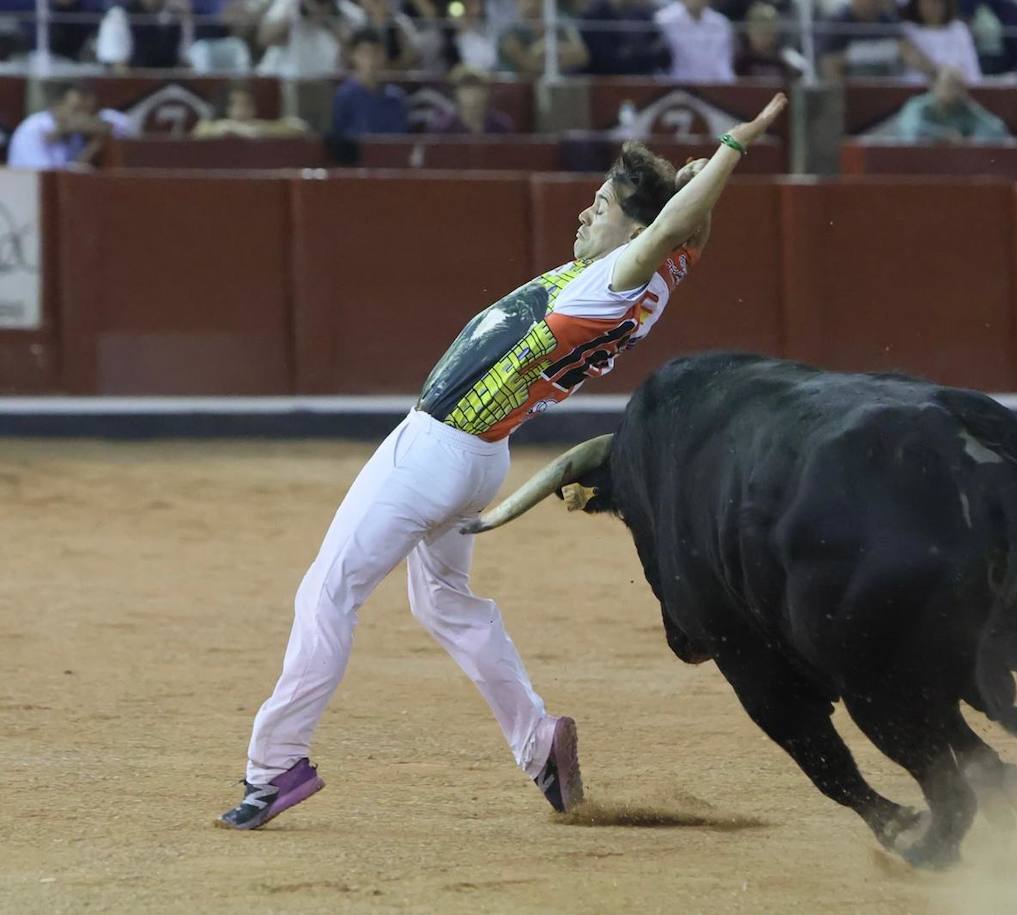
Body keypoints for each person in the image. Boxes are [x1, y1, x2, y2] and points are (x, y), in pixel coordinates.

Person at [215, 93, 790, 833]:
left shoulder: (613, 277)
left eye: (602, 205)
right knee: (445, 602)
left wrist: (732, 150)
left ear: (636, 230)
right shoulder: (654, 283)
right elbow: (688, 225)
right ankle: (536, 740)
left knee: (328, 591)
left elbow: (677, 222)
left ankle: (273, 765)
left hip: (434, 450)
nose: (586, 215)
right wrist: (704, 174)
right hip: (480, 458)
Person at [8, 81, 133, 169]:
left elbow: (125, 126)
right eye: (76, 109)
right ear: (57, 107)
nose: (83, 116)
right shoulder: (34, 129)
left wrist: (98, 136)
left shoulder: (76, 131)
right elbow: (46, 177)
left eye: (87, 111)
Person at [331, 28, 411, 136]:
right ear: (353, 55)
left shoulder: (396, 98)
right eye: (365, 53)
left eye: (377, 52)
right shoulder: (344, 96)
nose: (371, 60)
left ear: (384, 55)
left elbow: (400, 139)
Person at [893, 65, 1009, 139]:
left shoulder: (964, 107)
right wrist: (943, 136)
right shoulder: (919, 105)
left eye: (958, 86)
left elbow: (997, 129)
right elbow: (910, 130)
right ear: (935, 86)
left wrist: (971, 141)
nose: (953, 91)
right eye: (948, 85)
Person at [819, 0, 927, 79]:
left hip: (886, 87)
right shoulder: (838, 23)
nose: (870, 3)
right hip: (852, 89)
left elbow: (909, 52)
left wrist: (934, 72)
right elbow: (829, 65)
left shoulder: (888, 21)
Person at [255, 0, 365, 77]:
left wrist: (327, 21)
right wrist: (297, 14)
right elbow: (264, 38)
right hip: (284, 78)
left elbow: (358, 57)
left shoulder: (350, 13)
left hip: (327, 81)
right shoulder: (288, 5)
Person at [498, 0, 588, 78]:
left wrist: (550, 46)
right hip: (518, 90)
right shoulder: (510, 32)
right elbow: (527, 67)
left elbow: (582, 55)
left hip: (560, 87)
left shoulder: (559, 21)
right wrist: (540, 53)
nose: (529, 3)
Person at [900, 0, 982, 84]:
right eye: (927, 2)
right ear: (917, 4)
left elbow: (973, 71)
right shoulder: (906, 30)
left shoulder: (959, 29)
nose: (933, 6)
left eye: (938, 2)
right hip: (915, 91)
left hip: (957, 90)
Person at [192, 81, 312, 137]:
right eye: (236, 104)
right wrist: (231, 128)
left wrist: (258, 131)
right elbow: (198, 131)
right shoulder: (213, 125)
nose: (242, 109)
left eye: (247, 104)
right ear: (226, 108)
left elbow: (299, 127)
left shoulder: (260, 125)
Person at [95, 0, 191, 70]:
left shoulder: (177, 17)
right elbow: (117, 67)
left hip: (168, 86)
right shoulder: (118, 16)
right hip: (133, 86)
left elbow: (183, 61)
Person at [580, 0, 668, 76]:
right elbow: (609, 64)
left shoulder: (643, 13)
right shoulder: (595, 16)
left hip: (647, 79)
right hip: (609, 84)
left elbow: (664, 56)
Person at [655, 0, 736, 82]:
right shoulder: (663, 21)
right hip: (677, 86)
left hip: (716, 85)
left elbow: (724, 62)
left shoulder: (721, 23)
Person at [427, 64, 514, 133]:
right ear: (456, 92)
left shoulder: (502, 126)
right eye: (467, 86)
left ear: (487, 92)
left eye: (477, 86)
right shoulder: (443, 127)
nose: (473, 93)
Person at [735, 2, 806, 79]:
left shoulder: (784, 59)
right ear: (749, 31)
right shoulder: (741, 61)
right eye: (759, 31)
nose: (763, 37)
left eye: (768, 32)